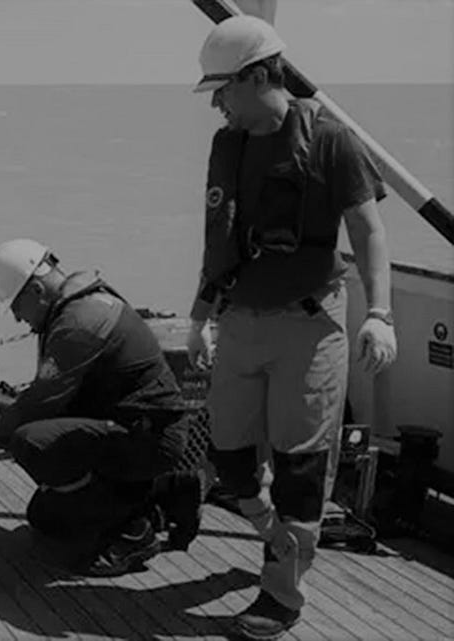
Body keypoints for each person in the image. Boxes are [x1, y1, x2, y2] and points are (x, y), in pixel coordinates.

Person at [186, 16, 397, 641]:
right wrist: (200, 317)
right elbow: (215, 240)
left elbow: (369, 232)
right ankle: (276, 537)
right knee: (226, 455)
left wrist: (380, 314)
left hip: (310, 324)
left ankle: (281, 593)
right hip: (241, 320)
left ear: (258, 75)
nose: (218, 102)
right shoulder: (228, 145)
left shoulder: (333, 142)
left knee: (300, 465)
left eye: (223, 88)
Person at [0, 239, 204, 576]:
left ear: (35, 289)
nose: (19, 319)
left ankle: (134, 532)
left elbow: (39, 404)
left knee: (30, 442)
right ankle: (169, 489)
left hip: (146, 436)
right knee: (46, 518)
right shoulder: (79, 302)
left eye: (16, 308)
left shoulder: (79, 323)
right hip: (126, 426)